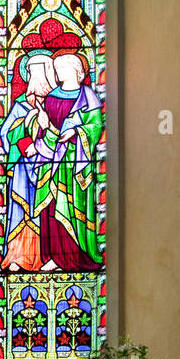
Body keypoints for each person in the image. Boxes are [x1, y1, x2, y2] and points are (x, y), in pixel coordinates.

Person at [31, 51, 104, 271]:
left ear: (76, 70)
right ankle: (54, 256)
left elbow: (95, 126)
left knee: (73, 209)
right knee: (52, 209)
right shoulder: (52, 97)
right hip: (52, 162)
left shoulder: (88, 96)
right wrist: (41, 125)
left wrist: (77, 133)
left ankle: (76, 257)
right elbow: (47, 132)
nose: (57, 72)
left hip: (76, 164)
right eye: (56, 68)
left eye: (62, 68)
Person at [0, 52, 56, 271]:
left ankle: (45, 257)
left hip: (49, 169)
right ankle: (17, 256)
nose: (35, 77)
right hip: (24, 168)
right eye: (31, 72)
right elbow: (5, 132)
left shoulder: (59, 102)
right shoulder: (21, 104)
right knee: (21, 212)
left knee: (46, 213)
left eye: (39, 72)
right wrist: (24, 143)